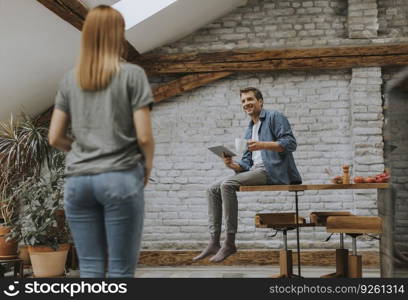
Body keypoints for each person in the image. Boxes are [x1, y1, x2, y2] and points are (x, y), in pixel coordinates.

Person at [48, 5, 154, 277]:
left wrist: (80, 149)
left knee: (91, 269)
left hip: (78, 182)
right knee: (120, 271)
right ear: (117, 35)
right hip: (120, 177)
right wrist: (147, 168)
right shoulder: (132, 75)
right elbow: (144, 135)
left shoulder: (70, 79)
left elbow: (54, 136)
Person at [193, 87, 302, 262]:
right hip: (256, 171)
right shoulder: (249, 128)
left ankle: (229, 242)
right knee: (211, 188)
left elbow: (290, 143)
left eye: (250, 99)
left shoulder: (275, 117)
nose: (246, 104)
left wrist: (262, 145)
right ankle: (214, 241)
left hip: (272, 172)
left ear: (260, 101)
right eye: (243, 101)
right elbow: (245, 165)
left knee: (226, 185)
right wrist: (231, 164)